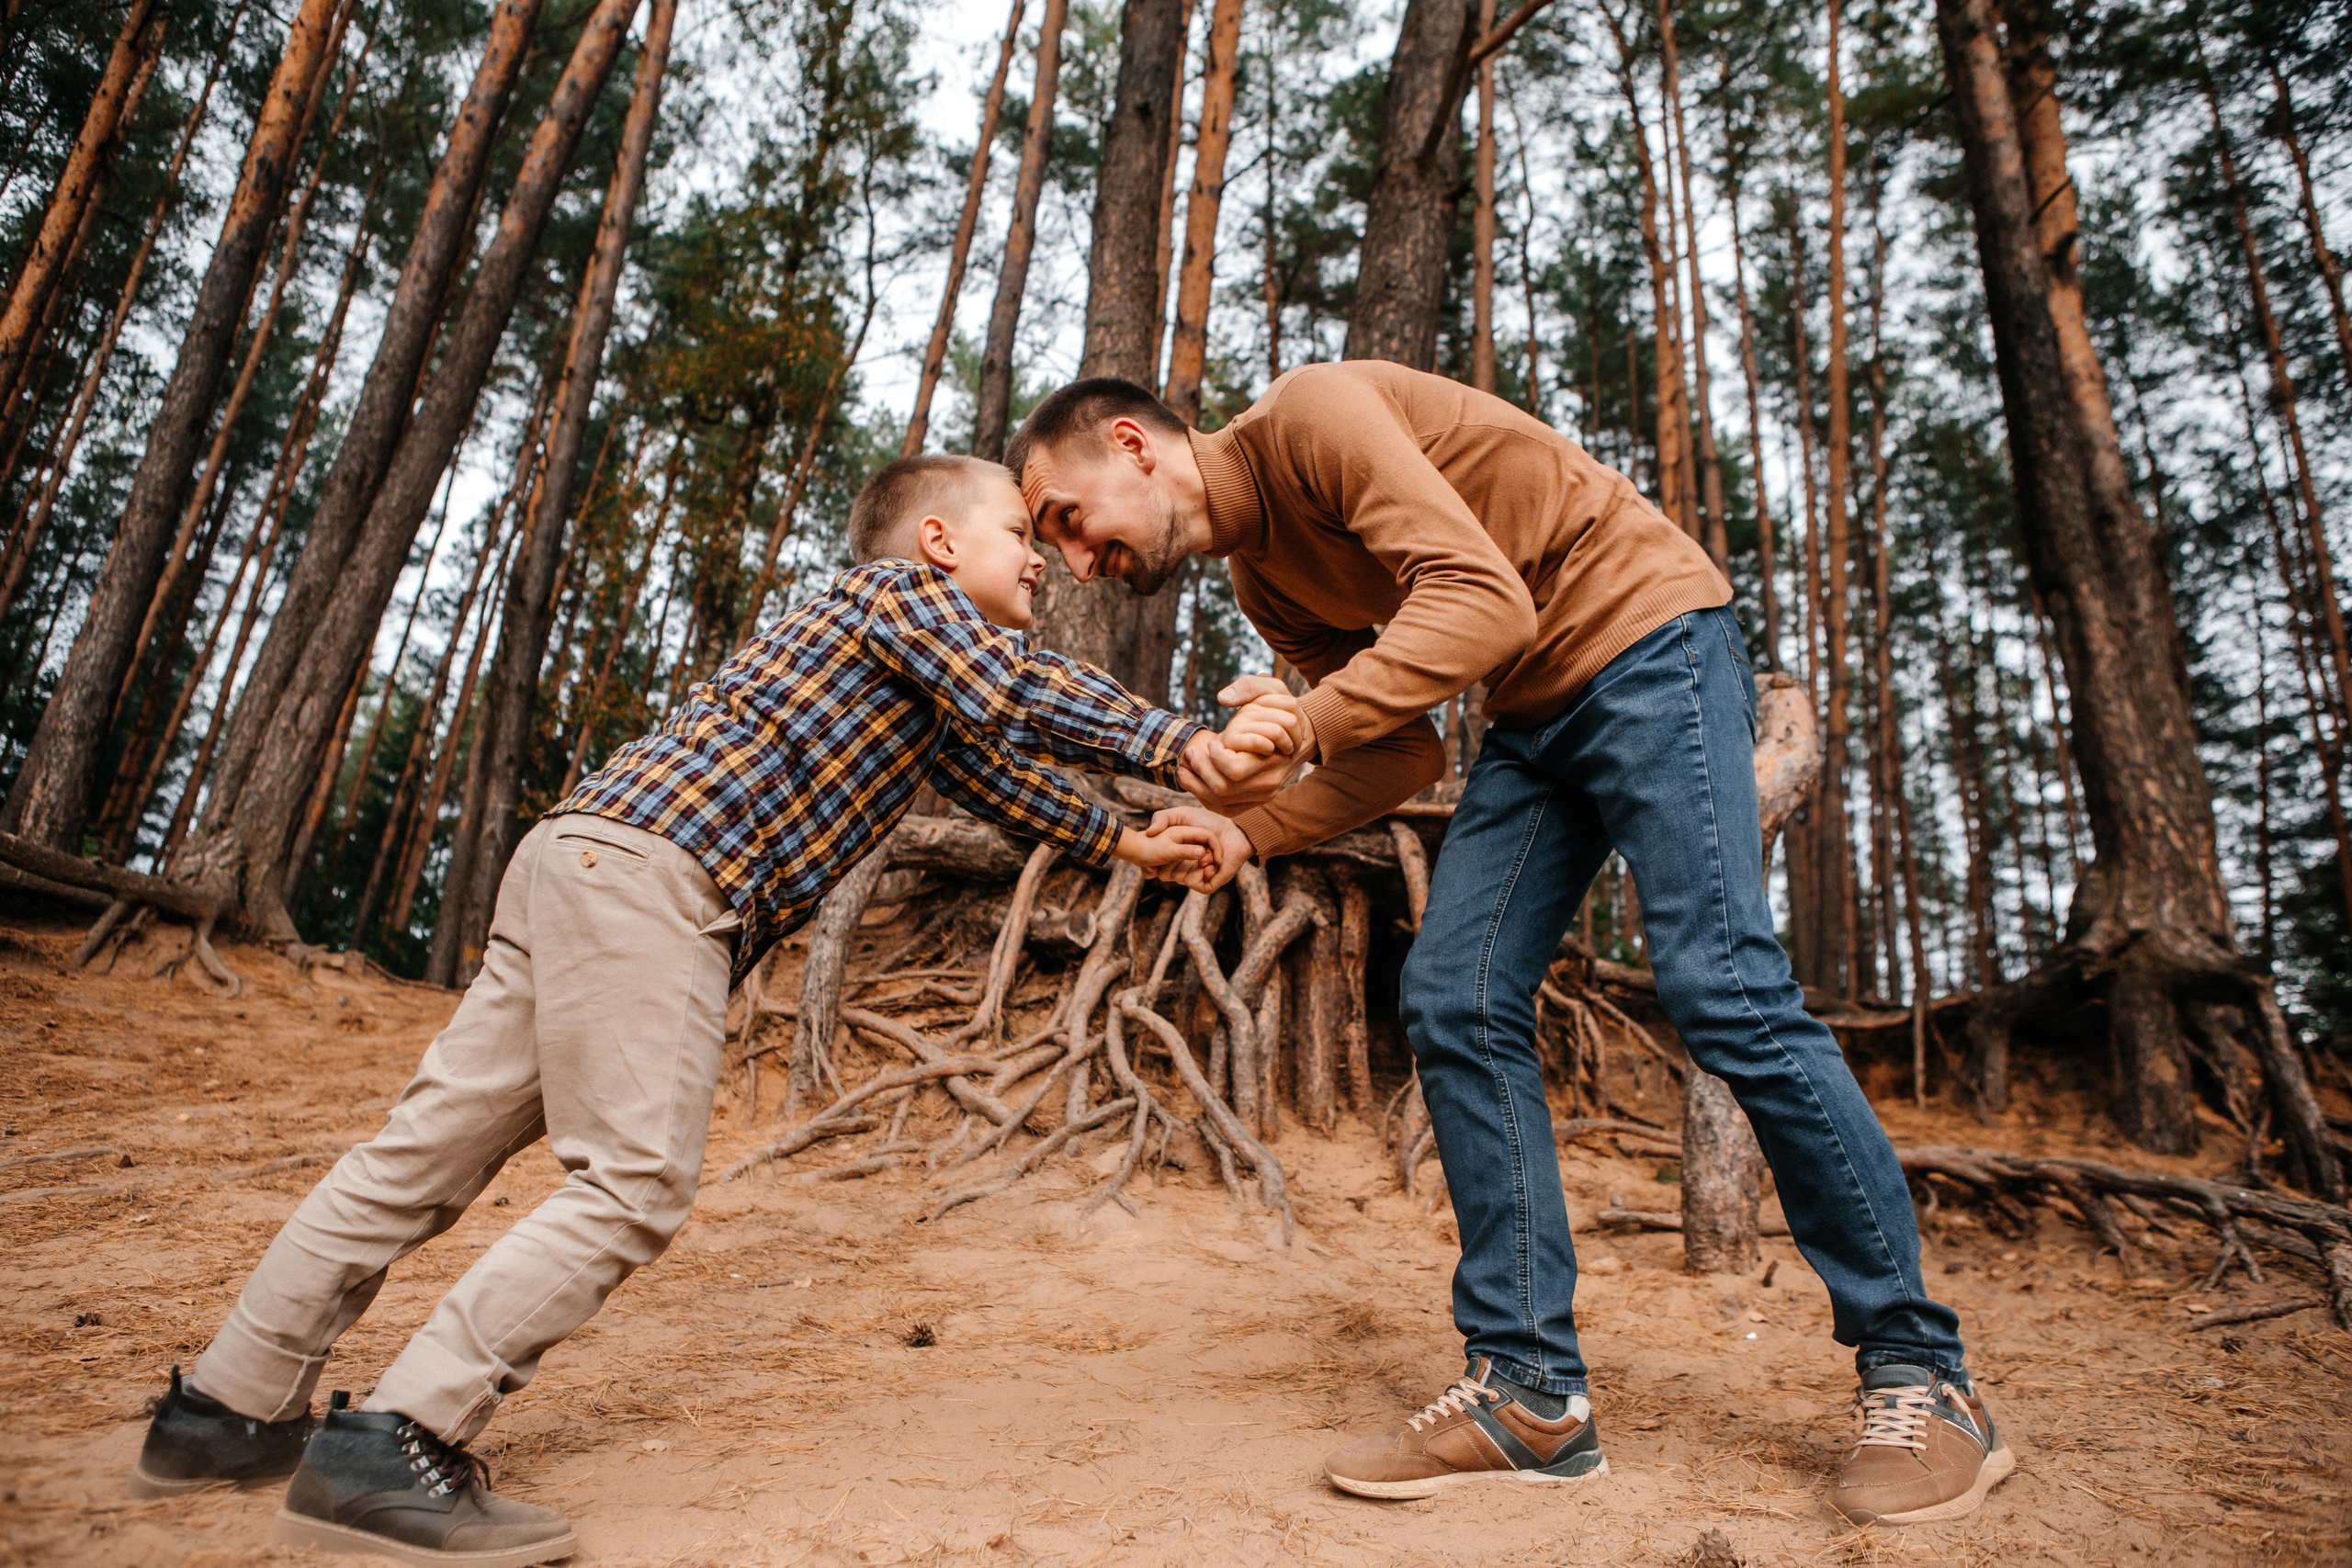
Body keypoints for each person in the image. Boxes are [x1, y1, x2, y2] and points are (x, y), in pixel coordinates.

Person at [127, 454, 1304, 1566]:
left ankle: (226, 1408)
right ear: (939, 543)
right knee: (633, 1180)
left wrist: (1131, 835)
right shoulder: (898, 596)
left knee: (416, 1159)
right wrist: (1185, 744)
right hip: (661, 876)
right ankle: (396, 1442)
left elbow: (999, 767)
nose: (1043, 558)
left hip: (588, 855)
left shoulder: (910, 671)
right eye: (1016, 532)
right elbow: (1015, 689)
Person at [1012, 367, 2012, 1527]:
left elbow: (1483, 605)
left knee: (1720, 985)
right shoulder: (1265, 585)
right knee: (1454, 992)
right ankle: (1530, 1395)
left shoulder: (1311, 418)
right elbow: (1403, 759)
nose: (1077, 562)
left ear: (1132, 444)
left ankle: (1923, 1375)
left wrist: (1304, 722)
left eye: (1066, 521)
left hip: (1650, 642)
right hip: (1536, 718)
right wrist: (1245, 829)